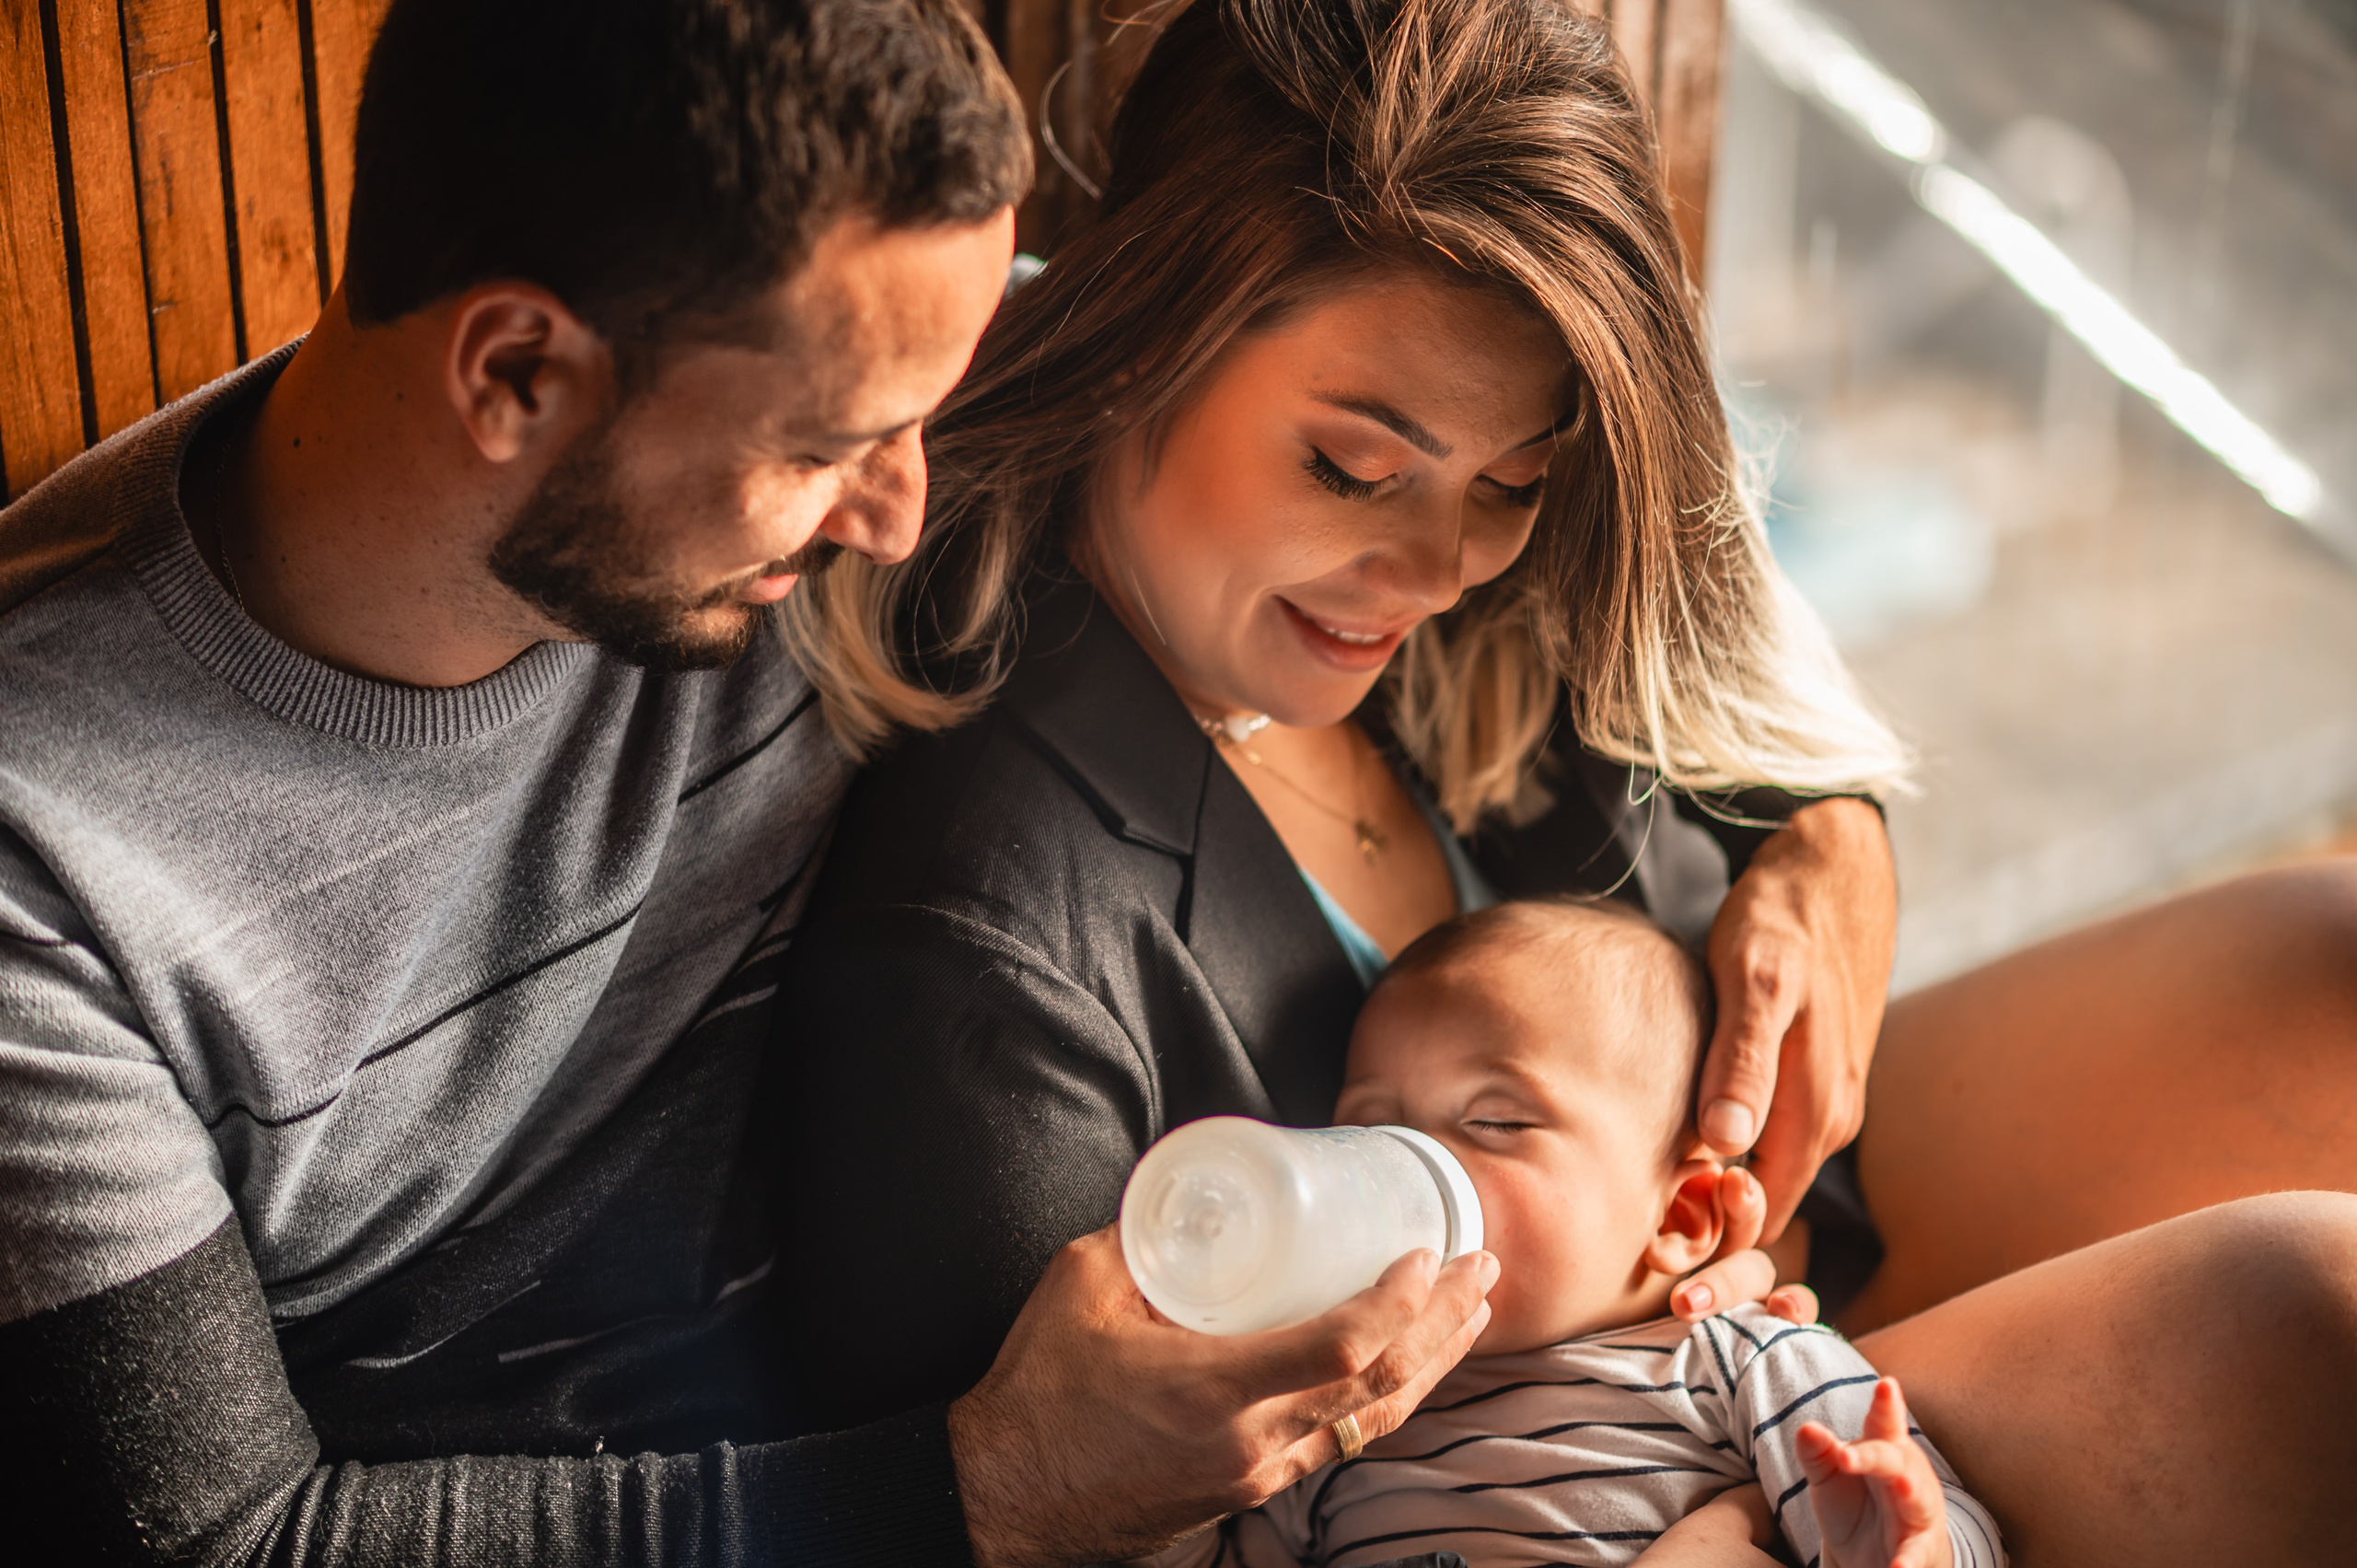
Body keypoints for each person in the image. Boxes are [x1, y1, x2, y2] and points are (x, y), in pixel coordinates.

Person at [768, 0, 2357, 1562]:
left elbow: (1734, 720)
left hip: (1786, 1228)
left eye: (1508, 483)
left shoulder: (1484, 577)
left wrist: (1829, 838)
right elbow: (1089, 1498)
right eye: (1353, 467)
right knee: (2305, 1331)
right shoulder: (993, 952)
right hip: (1568, 1467)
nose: (1435, 568)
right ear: (1141, 328)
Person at [1, 0, 1582, 1562]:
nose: (908, 508)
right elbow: (224, 1542)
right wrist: (995, 1485)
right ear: (514, 376)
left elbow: (1398, 422)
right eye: (839, 446)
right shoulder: (49, 875)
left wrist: (1826, 826)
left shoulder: (831, 348)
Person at [1153, 898, 2004, 1568]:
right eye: (1371, 1131)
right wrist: (1173, 1497)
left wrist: (1907, 1546)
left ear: (1679, 1216)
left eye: (1493, 1119)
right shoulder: (1351, 1412)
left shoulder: (1737, 1362)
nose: (1413, 1163)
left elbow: (1942, 1519)